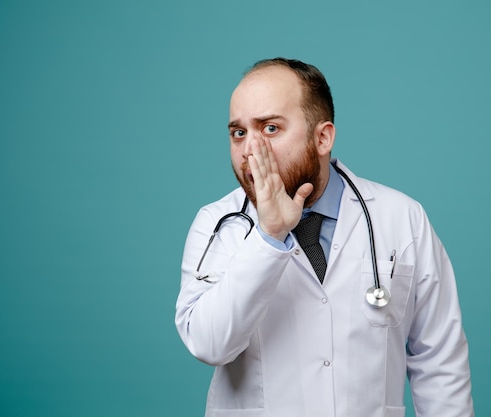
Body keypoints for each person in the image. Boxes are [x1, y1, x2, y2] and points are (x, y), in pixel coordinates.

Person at [175, 57, 474, 417]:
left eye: (270, 128)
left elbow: (440, 363)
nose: (250, 150)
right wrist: (269, 236)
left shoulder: (402, 218)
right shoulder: (217, 225)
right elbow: (209, 344)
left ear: (323, 137)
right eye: (239, 133)